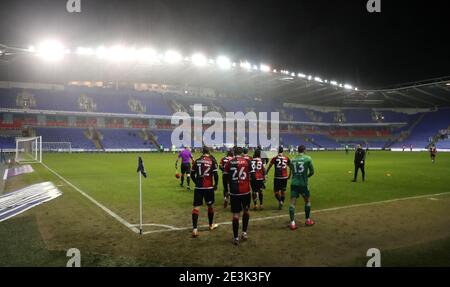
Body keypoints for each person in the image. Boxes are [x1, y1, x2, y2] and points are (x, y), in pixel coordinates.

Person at [224, 146, 252, 245]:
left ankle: (236, 238)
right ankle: (244, 233)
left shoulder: (229, 162)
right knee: (246, 211)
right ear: (241, 153)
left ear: (234, 153)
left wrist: (226, 190)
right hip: (246, 191)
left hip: (234, 192)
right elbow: (252, 176)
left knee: (235, 215)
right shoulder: (247, 161)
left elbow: (225, 177)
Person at [190, 146, 219, 238]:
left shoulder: (197, 161)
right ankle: (210, 225)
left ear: (202, 152)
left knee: (196, 208)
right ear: (209, 152)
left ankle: (195, 229)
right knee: (210, 206)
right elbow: (216, 175)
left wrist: (196, 182)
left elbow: (192, 175)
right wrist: (215, 185)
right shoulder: (212, 161)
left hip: (198, 188)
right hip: (208, 187)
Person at [289, 145, 315, 230]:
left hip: (294, 183)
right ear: (304, 150)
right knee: (307, 201)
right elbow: (312, 172)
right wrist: (307, 176)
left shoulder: (292, 159)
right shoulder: (308, 158)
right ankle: (307, 220)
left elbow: (291, 170)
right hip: (303, 184)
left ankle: (292, 223)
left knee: (292, 203)